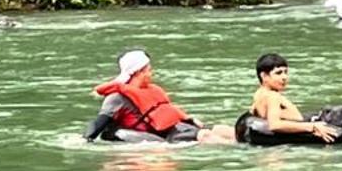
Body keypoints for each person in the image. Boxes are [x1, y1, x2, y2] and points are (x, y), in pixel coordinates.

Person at [87, 50, 234, 143]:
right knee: (206, 135)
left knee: (219, 129)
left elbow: (168, 110)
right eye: (149, 70)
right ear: (139, 72)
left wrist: (190, 119)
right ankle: (239, 151)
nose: (152, 73)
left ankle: (248, 141)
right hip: (161, 134)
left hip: (175, 127)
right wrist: (85, 139)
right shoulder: (117, 97)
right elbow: (99, 124)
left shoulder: (152, 89)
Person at [242, 53, 341, 143]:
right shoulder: (272, 96)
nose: (284, 77)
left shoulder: (260, 94)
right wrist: (312, 127)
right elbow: (275, 125)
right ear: (264, 76)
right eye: (278, 73)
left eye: (286, 72)